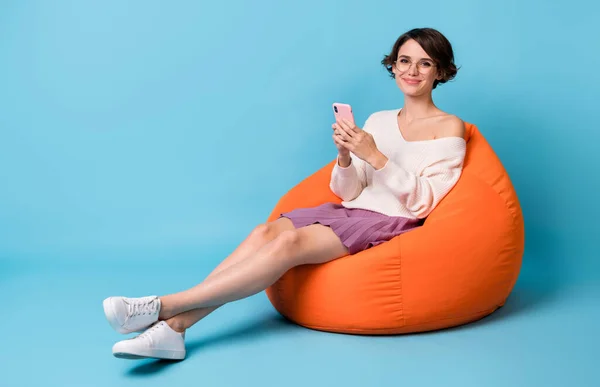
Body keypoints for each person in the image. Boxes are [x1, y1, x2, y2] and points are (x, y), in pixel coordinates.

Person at [102, 27, 467, 361]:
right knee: (264, 233)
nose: (412, 71)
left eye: (425, 63)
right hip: (352, 210)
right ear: (393, 65)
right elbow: (350, 191)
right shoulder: (378, 121)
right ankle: (172, 330)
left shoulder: (449, 126)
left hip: (388, 222)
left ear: (440, 72)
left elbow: (425, 202)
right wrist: (344, 158)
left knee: (285, 247)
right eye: (405, 60)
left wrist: (375, 155)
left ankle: (162, 307)